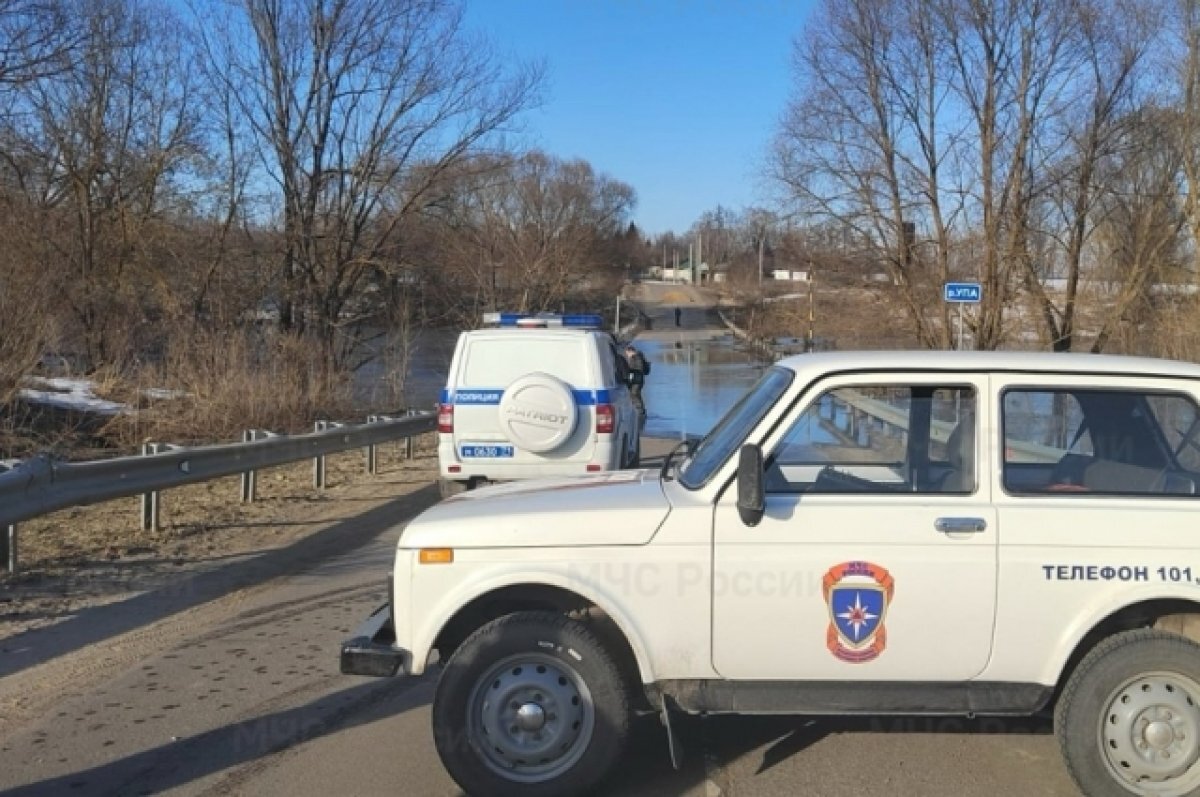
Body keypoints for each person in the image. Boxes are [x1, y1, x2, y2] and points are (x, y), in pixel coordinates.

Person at [623, 343, 649, 417]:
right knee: (637, 394)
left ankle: (640, 411)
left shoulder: (636, 357)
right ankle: (641, 411)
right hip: (639, 380)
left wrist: (629, 372)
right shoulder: (639, 356)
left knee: (634, 394)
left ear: (630, 351)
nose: (627, 356)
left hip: (637, 380)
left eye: (627, 354)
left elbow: (637, 368)